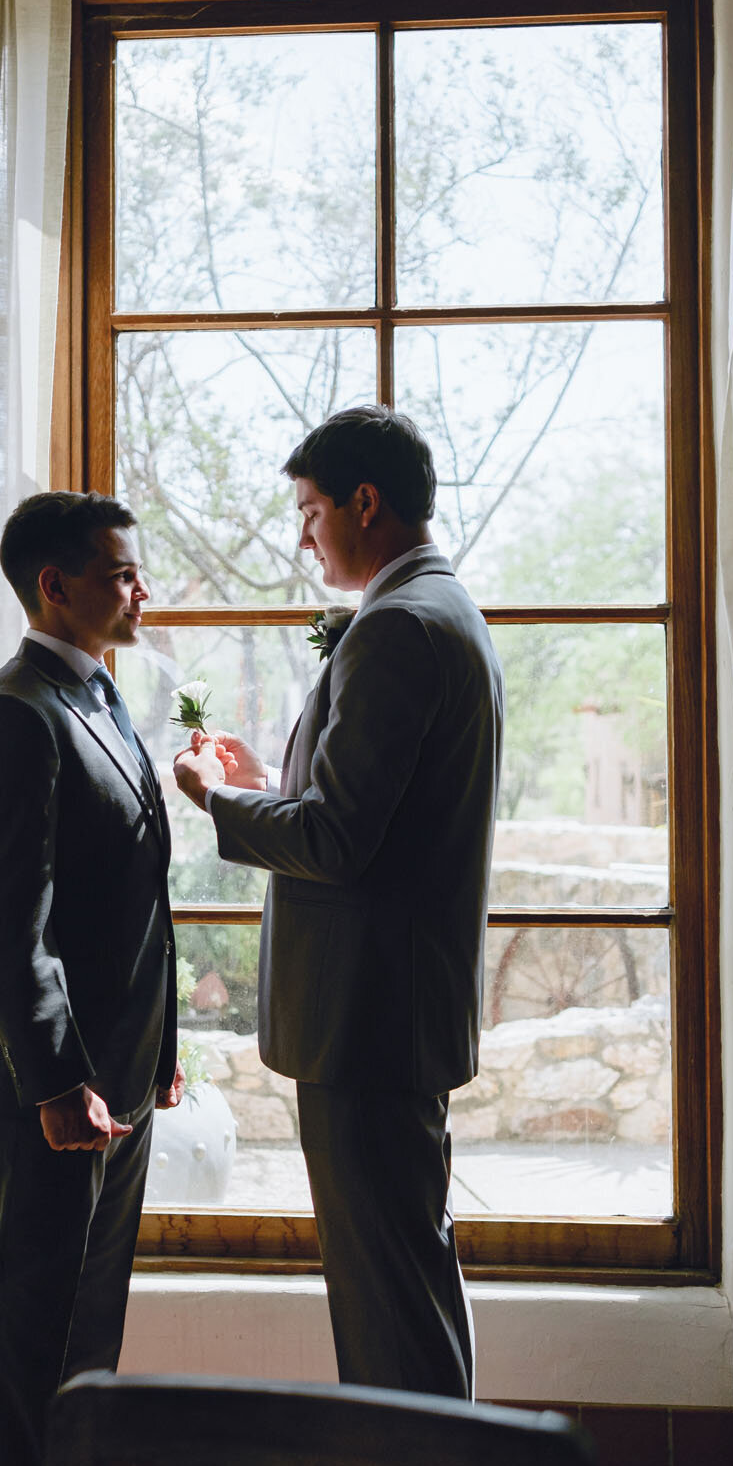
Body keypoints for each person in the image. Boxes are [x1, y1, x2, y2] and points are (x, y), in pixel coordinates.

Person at [174, 406, 504, 1414]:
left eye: (311, 510)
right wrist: (274, 780)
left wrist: (214, 800)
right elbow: (370, 816)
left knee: (388, 1298)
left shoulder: (398, 626)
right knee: (409, 1284)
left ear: (367, 502)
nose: (304, 534)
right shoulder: (440, 610)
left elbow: (337, 841)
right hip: (393, 1015)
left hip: (368, 1022)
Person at [0, 490, 181, 1466]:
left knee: (89, 1314)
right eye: (123, 572)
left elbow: (132, 899)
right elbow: (8, 925)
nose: (140, 590)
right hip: (43, 1080)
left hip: (119, 1075)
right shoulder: (16, 712)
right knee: (26, 1313)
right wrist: (53, 1081)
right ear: (57, 584)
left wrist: (158, 1055)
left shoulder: (98, 694)